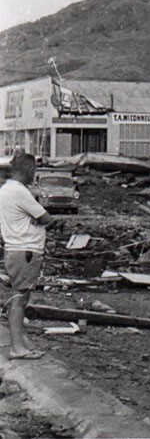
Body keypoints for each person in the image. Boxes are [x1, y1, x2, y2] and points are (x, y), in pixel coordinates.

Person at [1, 153, 56, 360]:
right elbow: (46, 218)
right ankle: (17, 347)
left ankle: (20, 341)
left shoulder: (6, 189)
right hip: (25, 251)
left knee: (19, 297)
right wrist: (36, 222)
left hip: (15, 249)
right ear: (29, 170)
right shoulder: (20, 192)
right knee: (19, 300)